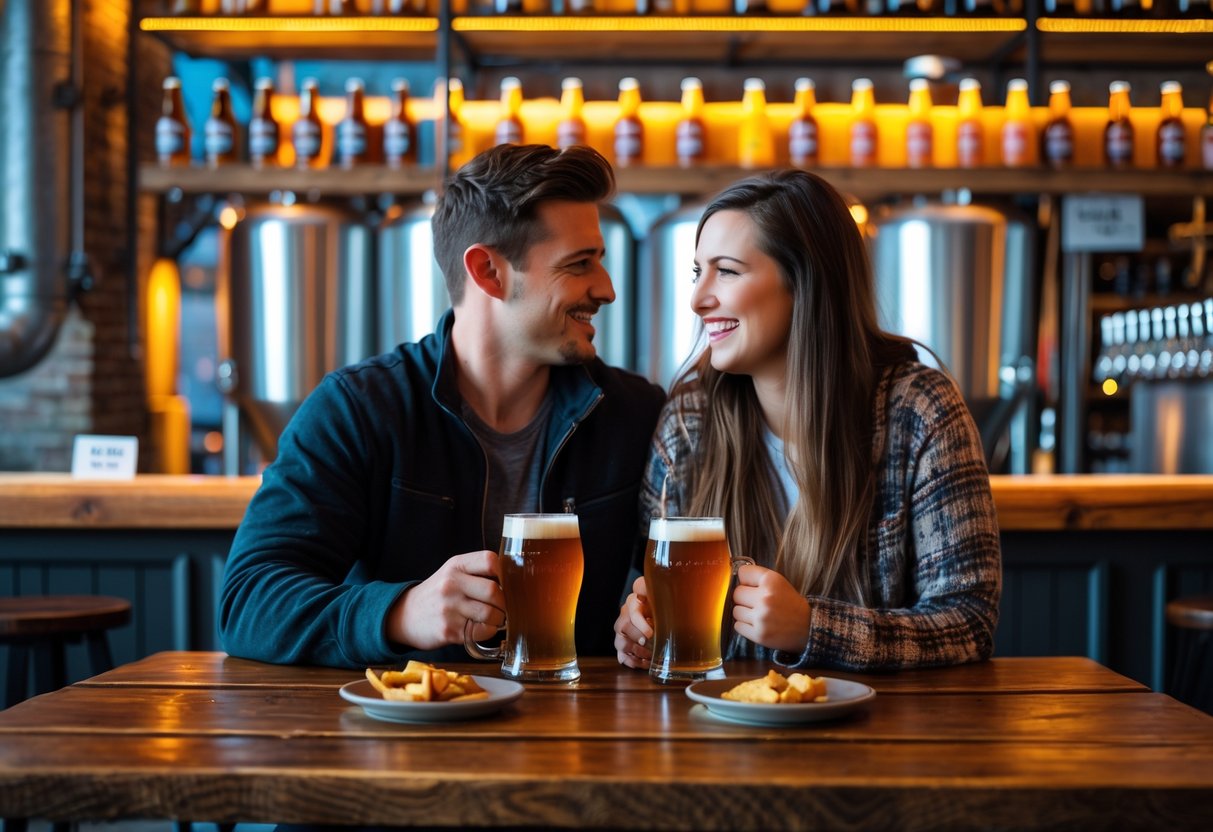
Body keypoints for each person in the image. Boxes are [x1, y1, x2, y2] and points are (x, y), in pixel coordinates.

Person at [221, 143, 665, 668]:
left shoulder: (634, 412)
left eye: (601, 260)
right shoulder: (359, 410)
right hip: (406, 736)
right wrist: (402, 612)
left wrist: (640, 621)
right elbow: (248, 603)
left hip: (584, 733)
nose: (606, 288)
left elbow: (659, 588)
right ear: (488, 272)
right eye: (580, 264)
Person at [614, 169, 1001, 672]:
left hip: (882, 736)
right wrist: (639, 630)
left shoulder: (919, 411)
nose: (698, 298)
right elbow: (651, 603)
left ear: (805, 283)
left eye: (726, 271)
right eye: (697, 272)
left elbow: (969, 623)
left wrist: (812, 628)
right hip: (720, 736)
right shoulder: (689, 422)